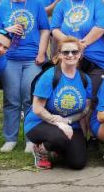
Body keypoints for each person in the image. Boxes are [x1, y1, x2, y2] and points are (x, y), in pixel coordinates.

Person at [0, 0, 50, 153]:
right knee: (11, 98)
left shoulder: (36, 4)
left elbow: (45, 30)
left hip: (32, 58)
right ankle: (10, 138)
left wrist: (41, 53)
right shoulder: (3, 6)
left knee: (29, 98)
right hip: (9, 58)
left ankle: (30, 139)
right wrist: (7, 30)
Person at [24, 37, 92, 170]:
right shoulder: (49, 76)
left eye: (74, 52)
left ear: (80, 54)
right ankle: (41, 150)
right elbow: (37, 108)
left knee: (78, 163)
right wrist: (58, 122)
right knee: (59, 137)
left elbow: (86, 109)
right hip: (40, 122)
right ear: (59, 54)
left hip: (70, 124)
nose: (70, 55)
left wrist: (68, 121)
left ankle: (58, 149)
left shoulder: (85, 79)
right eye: (66, 52)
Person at [51, 0, 104, 106]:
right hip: (70, 58)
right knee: (70, 97)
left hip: (96, 61)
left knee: (89, 99)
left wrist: (82, 44)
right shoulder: (62, 5)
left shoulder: (96, 2)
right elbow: (55, 29)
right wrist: (72, 45)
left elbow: (101, 26)